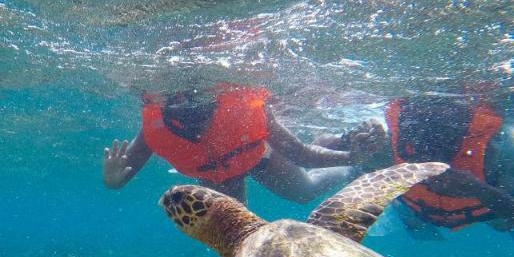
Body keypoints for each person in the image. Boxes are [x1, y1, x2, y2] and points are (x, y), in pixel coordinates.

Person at [102, 84, 381, 204]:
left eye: (200, 107)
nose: (191, 112)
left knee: (305, 191)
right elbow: (118, 180)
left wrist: (350, 158)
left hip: (259, 155)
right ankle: (339, 151)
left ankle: (350, 169)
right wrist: (112, 180)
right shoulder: (155, 129)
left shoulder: (244, 109)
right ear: (164, 108)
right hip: (215, 176)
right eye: (179, 109)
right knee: (239, 235)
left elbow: (301, 155)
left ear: (217, 100)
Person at [319, 95, 514, 236]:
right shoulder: (386, 137)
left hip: (485, 213)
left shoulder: (504, 145)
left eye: (441, 144)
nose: (427, 155)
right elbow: (319, 145)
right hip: (412, 208)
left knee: (504, 226)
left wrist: (481, 192)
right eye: (415, 145)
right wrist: (351, 144)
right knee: (404, 215)